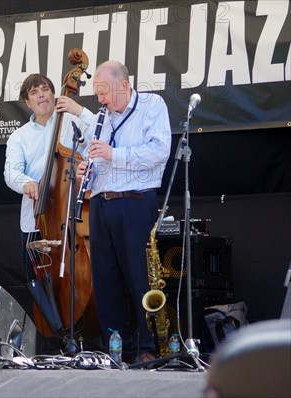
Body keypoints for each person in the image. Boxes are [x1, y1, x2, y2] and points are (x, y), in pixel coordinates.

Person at [76, 60, 172, 363]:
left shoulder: (152, 106)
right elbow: (94, 162)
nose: (101, 100)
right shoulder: (100, 119)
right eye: (97, 93)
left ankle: (148, 349)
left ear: (124, 85)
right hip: (101, 205)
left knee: (140, 280)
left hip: (135, 201)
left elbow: (159, 151)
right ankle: (118, 350)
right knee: (107, 283)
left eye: (105, 92)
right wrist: (84, 172)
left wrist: (113, 154)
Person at [3, 73, 95, 352]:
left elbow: (99, 135)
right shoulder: (19, 136)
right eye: (35, 92)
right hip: (37, 218)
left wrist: (80, 110)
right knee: (35, 277)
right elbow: (10, 172)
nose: (42, 95)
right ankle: (60, 332)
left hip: (69, 216)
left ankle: (86, 332)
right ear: (27, 102)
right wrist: (27, 183)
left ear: (55, 95)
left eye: (46, 89)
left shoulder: (72, 122)